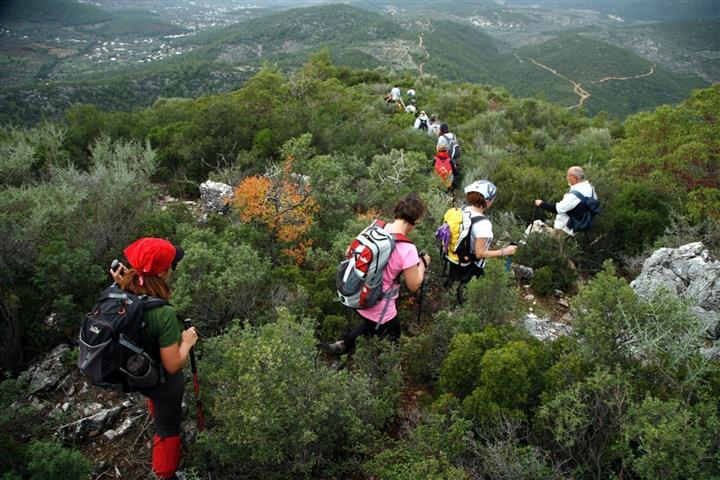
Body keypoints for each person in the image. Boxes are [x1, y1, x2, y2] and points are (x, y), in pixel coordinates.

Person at [110, 238, 197, 480]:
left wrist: (124, 280)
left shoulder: (120, 292)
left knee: (155, 395)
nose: (172, 269)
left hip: (128, 371)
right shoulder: (163, 313)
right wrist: (187, 342)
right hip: (158, 380)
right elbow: (172, 364)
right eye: (171, 265)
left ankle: (153, 408)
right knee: (168, 428)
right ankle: (165, 474)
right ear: (162, 272)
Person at [329, 193, 430, 353]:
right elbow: (414, 285)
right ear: (416, 220)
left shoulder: (376, 226)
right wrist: (423, 263)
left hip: (356, 292)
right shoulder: (408, 248)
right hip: (377, 304)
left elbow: (350, 251)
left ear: (396, 212)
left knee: (369, 325)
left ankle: (343, 345)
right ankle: (382, 371)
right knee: (392, 339)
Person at [449, 180, 518, 303]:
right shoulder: (483, 224)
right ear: (488, 200)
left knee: (455, 291)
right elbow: (480, 254)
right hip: (471, 266)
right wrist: (504, 251)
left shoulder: (463, 209)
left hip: (454, 258)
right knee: (466, 298)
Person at [534, 166, 597, 236]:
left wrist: (541, 203)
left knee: (535, 232)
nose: (567, 178)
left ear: (574, 178)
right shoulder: (590, 188)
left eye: (568, 176)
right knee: (537, 223)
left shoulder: (574, 195)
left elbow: (556, 209)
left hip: (564, 230)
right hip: (579, 229)